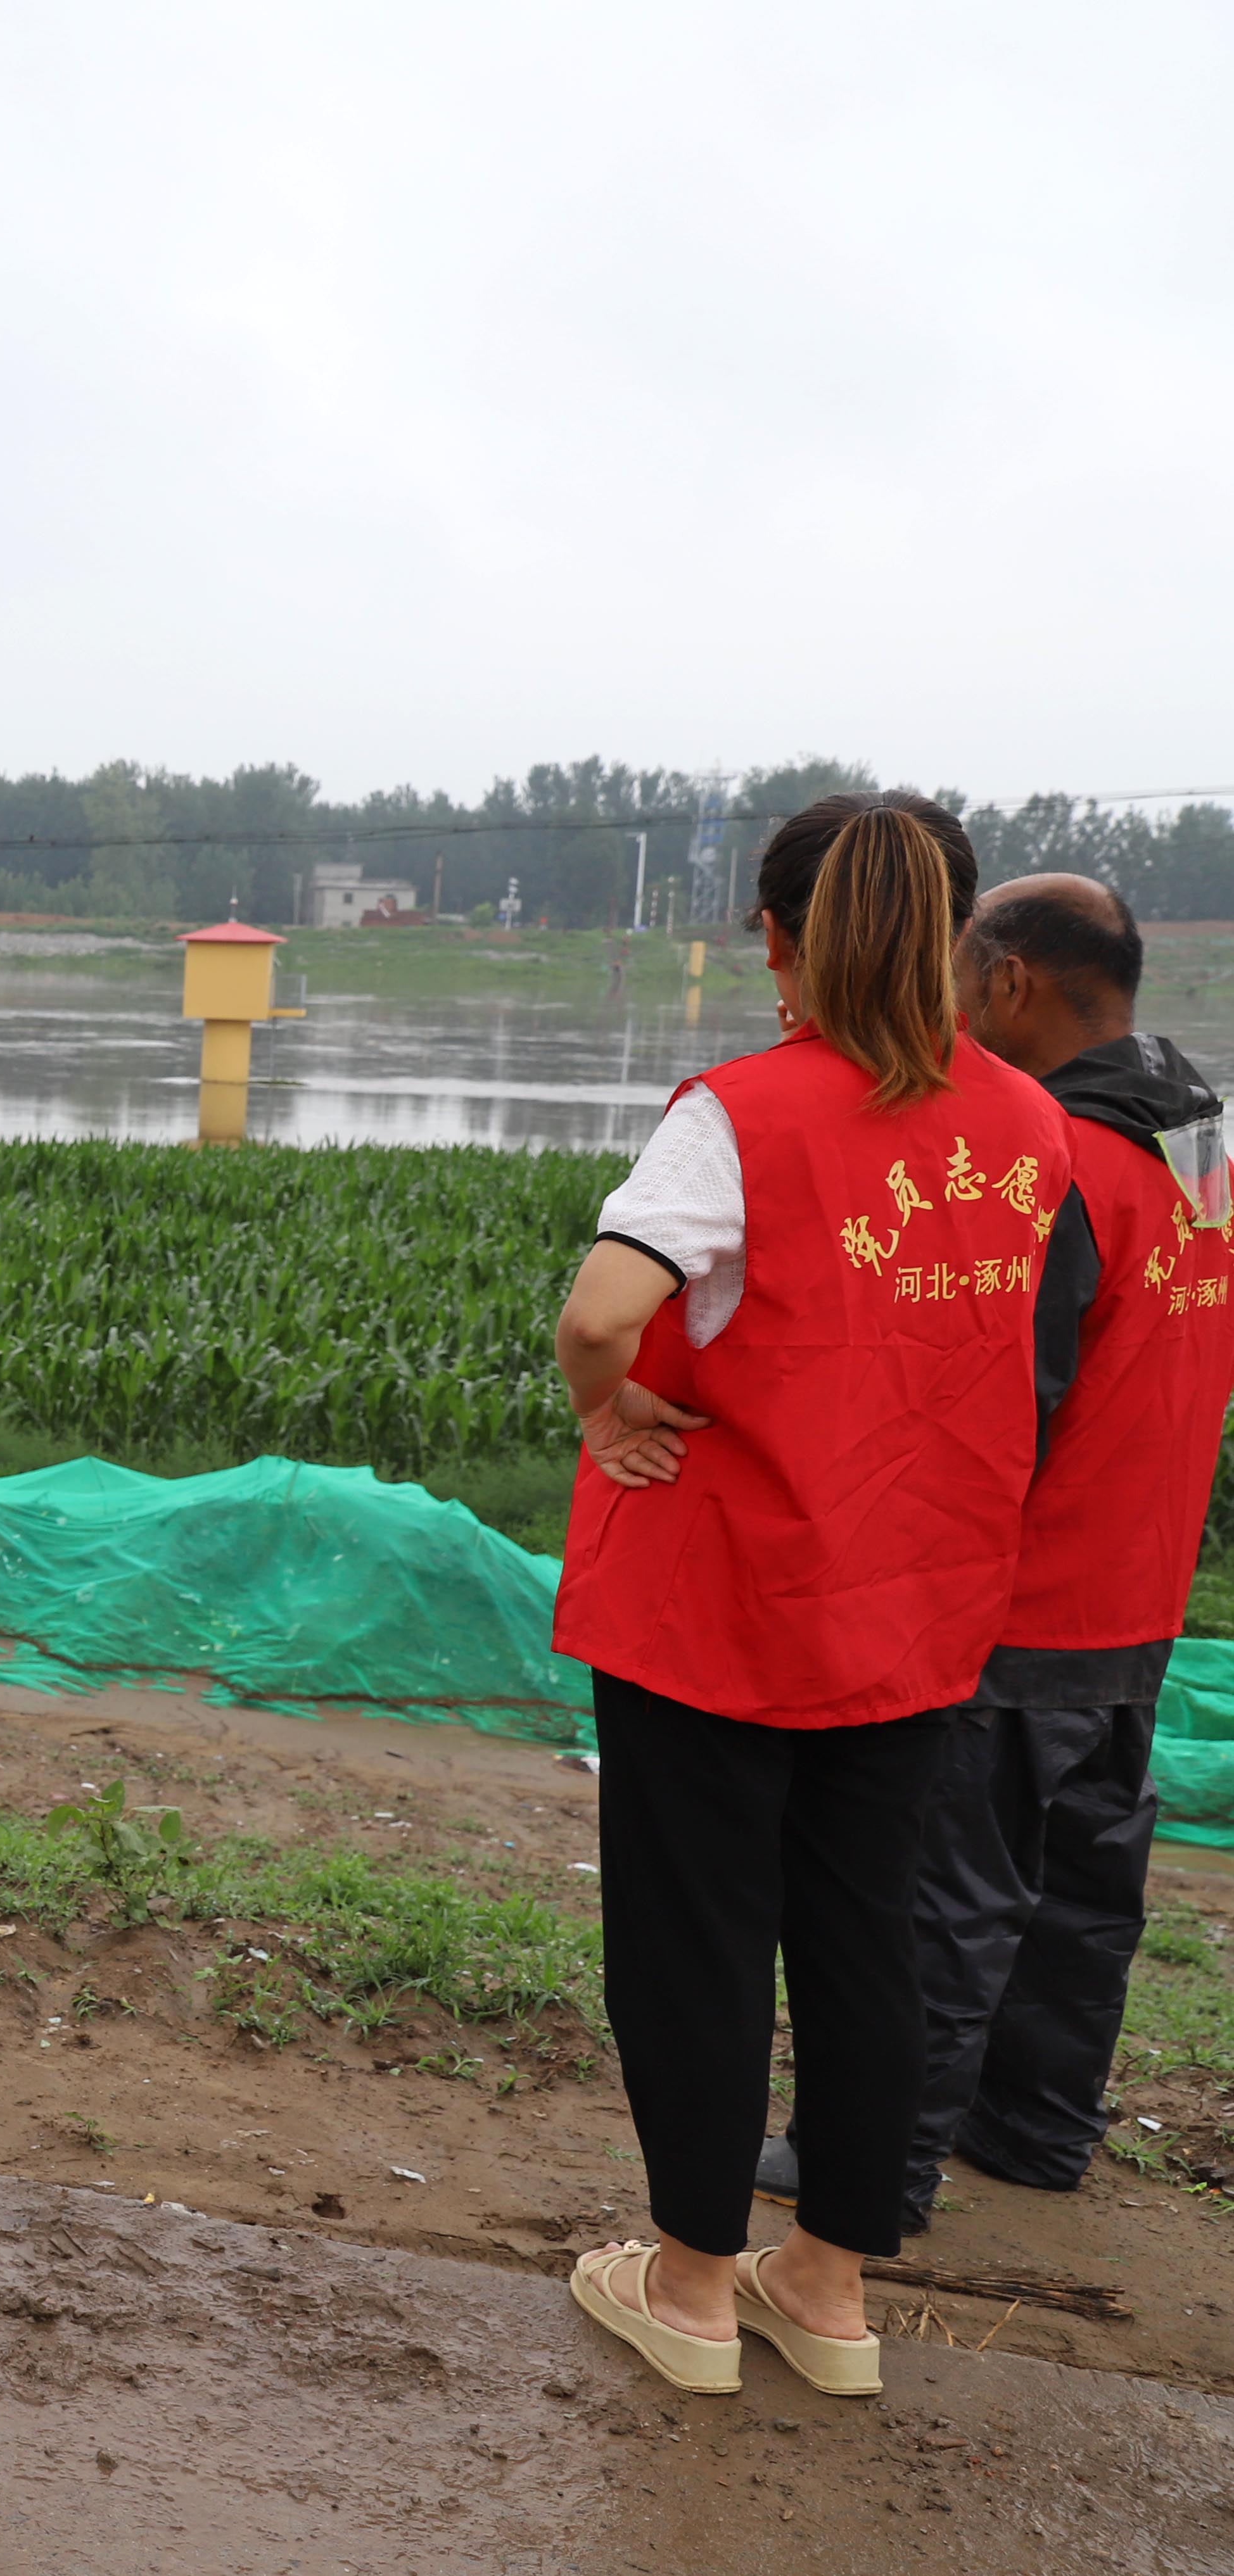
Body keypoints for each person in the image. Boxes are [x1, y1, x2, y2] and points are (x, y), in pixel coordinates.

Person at [550, 793, 1074, 2400]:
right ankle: (829, 2288)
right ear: (955, 941)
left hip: (724, 1601)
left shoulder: (745, 1114)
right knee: (869, 1937)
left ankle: (697, 2290)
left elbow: (604, 1305)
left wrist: (603, 1405)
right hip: (913, 1597)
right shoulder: (1033, 1127)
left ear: (777, 940)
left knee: (698, 1935)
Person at [753, 874, 1234, 2232]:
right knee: (1084, 1886)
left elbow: (1003, 1388)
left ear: (1010, 981)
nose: (950, 1006)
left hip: (1024, 1598)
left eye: (963, 977)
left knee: (942, 1897)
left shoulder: (1059, 1157)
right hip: (1144, 1586)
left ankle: (879, 2166)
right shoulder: (1204, 1135)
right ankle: (1035, 2129)